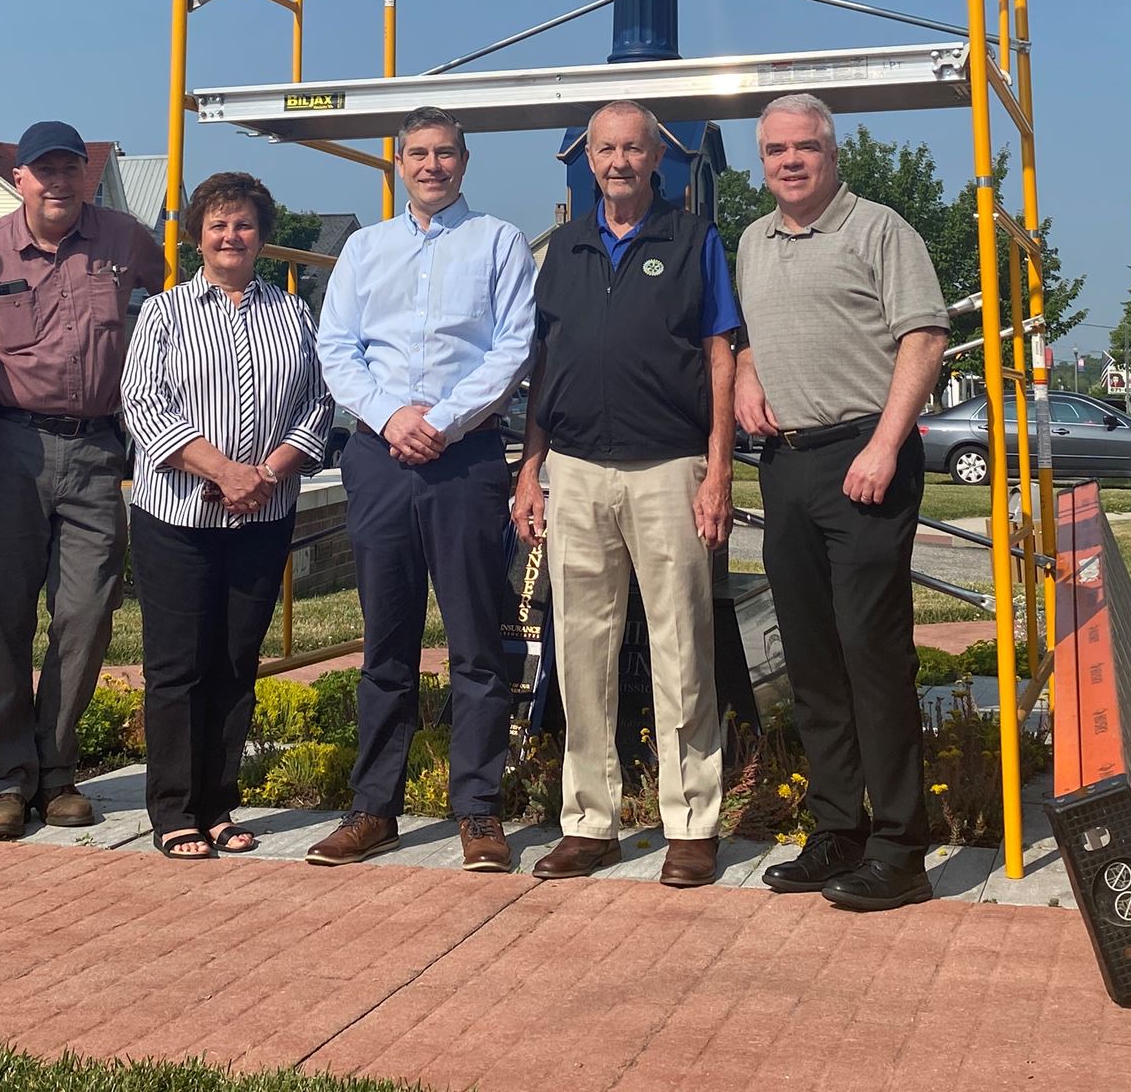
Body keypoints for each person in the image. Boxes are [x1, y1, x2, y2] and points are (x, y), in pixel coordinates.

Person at [513, 102, 739, 889]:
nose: (617, 161)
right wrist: (529, 467)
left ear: (656, 159)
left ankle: (691, 824)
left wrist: (719, 469)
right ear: (589, 159)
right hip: (574, 469)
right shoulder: (565, 247)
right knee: (580, 651)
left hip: (669, 469)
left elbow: (719, 357)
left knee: (682, 649)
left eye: (631, 148)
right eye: (604, 148)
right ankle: (589, 823)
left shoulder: (694, 239)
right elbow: (546, 364)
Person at [732, 93, 949, 911]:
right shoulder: (753, 240)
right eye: (776, 150)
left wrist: (886, 448)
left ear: (833, 152)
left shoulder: (880, 229)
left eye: (807, 148)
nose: (791, 161)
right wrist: (749, 373)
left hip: (867, 458)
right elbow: (752, 332)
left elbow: (923, 338)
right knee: (812, 660)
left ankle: (901, 848)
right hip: (787, 466)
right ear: (762, 160)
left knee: (872, 656)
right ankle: (837, 830)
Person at [308, 106, 535, 873]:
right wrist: (388, 416)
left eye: (444, 153)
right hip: (379, 458)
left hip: (463, 459)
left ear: (464, 162)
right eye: (418, 154)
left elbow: (513, 345)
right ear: (397, 163)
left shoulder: (498, 241)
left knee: (475, 644)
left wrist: (437, 420)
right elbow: (335, 346)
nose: (431, 165)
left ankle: (478, 811)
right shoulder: (365, 249)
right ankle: (374, 809)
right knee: (387, 645)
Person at [0, 120, 166, 841]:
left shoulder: (128, 241)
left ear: (87, 176)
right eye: (45, 170)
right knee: (1, 620)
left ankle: (59, 770)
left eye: (71, 168)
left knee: (87, 614)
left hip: (98, 450)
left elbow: (168, 317)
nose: (59, 181)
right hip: (7, 449)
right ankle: (6, 781)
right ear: (21, 179)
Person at [119, 170, 334, 859]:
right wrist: (223, 472)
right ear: (198, 237)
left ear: (262, 235)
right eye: (218, 224)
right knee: (178, 665)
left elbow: (319, 406)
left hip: (262, 517)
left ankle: (218, 803)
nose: (231, 235)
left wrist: (265, 475)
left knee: (236, 662)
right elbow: (144, 407)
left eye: (243, 224)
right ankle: (174, 809)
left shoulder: (293, 314)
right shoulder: (165, 312)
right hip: (178, 517)